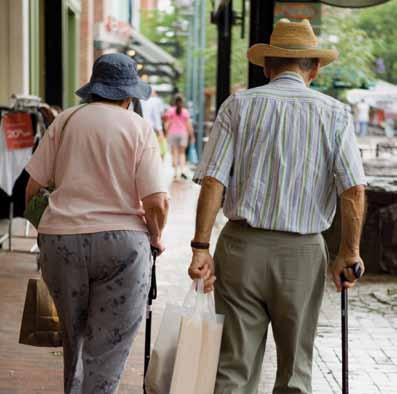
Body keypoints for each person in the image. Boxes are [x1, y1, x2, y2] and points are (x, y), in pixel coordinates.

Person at [188, 19, 366, 394]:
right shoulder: (334, 114)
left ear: (267, 67)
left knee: (233, 368)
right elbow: (353, 190)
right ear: (314, 69)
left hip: (240, 249)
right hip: (302, 254)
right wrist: (347, 253)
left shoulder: (238, 105)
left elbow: (213, 181)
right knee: (295, 372)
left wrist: (201, 247)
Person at [25, 53, 169, 394]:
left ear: (94, 89)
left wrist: (45, 230)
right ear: (128, 96)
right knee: (108, 348)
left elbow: (32, 187)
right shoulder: (138, 127)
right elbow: (156, 201)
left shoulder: (65, 121)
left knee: (72, 339)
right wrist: (157, 235)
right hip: (122, 246)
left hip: (61, 241)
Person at [164, 95, 195, 179]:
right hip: (183, 134)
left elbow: (167, 124)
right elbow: (188, 125)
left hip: (172, 133)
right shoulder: (185, 111)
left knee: (174, 153)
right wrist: (192, 136)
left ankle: (175, 173)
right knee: (182, 153)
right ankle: (182, 171)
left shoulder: (170, 111)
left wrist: (166, 133)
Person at [141, 89, 167, 157]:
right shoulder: (156, 101)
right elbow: (157, 115)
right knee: (156, 150)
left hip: (142, 127)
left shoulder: (141, 100)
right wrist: (160, 130)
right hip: (152, 129)